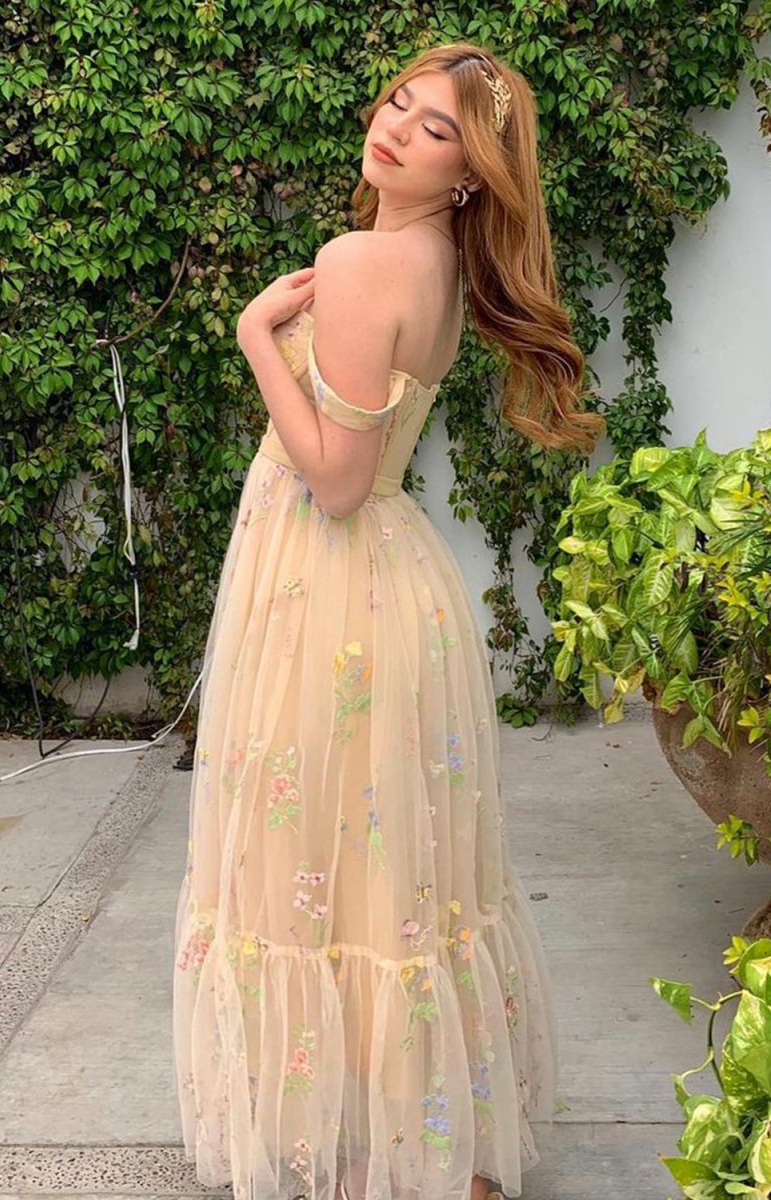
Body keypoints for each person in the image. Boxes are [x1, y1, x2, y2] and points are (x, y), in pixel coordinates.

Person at [173, 40, 606, 1200]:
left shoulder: (361, 260)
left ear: (468, 175)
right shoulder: (434, 263)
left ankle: (382, 1154)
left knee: (317, 873)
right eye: (398, 103)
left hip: (327, 586)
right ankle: (431, 1148)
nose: (395, 127)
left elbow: (333, 478)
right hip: (382, 586)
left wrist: (254, 338)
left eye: (433, 128)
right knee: (385, 880)